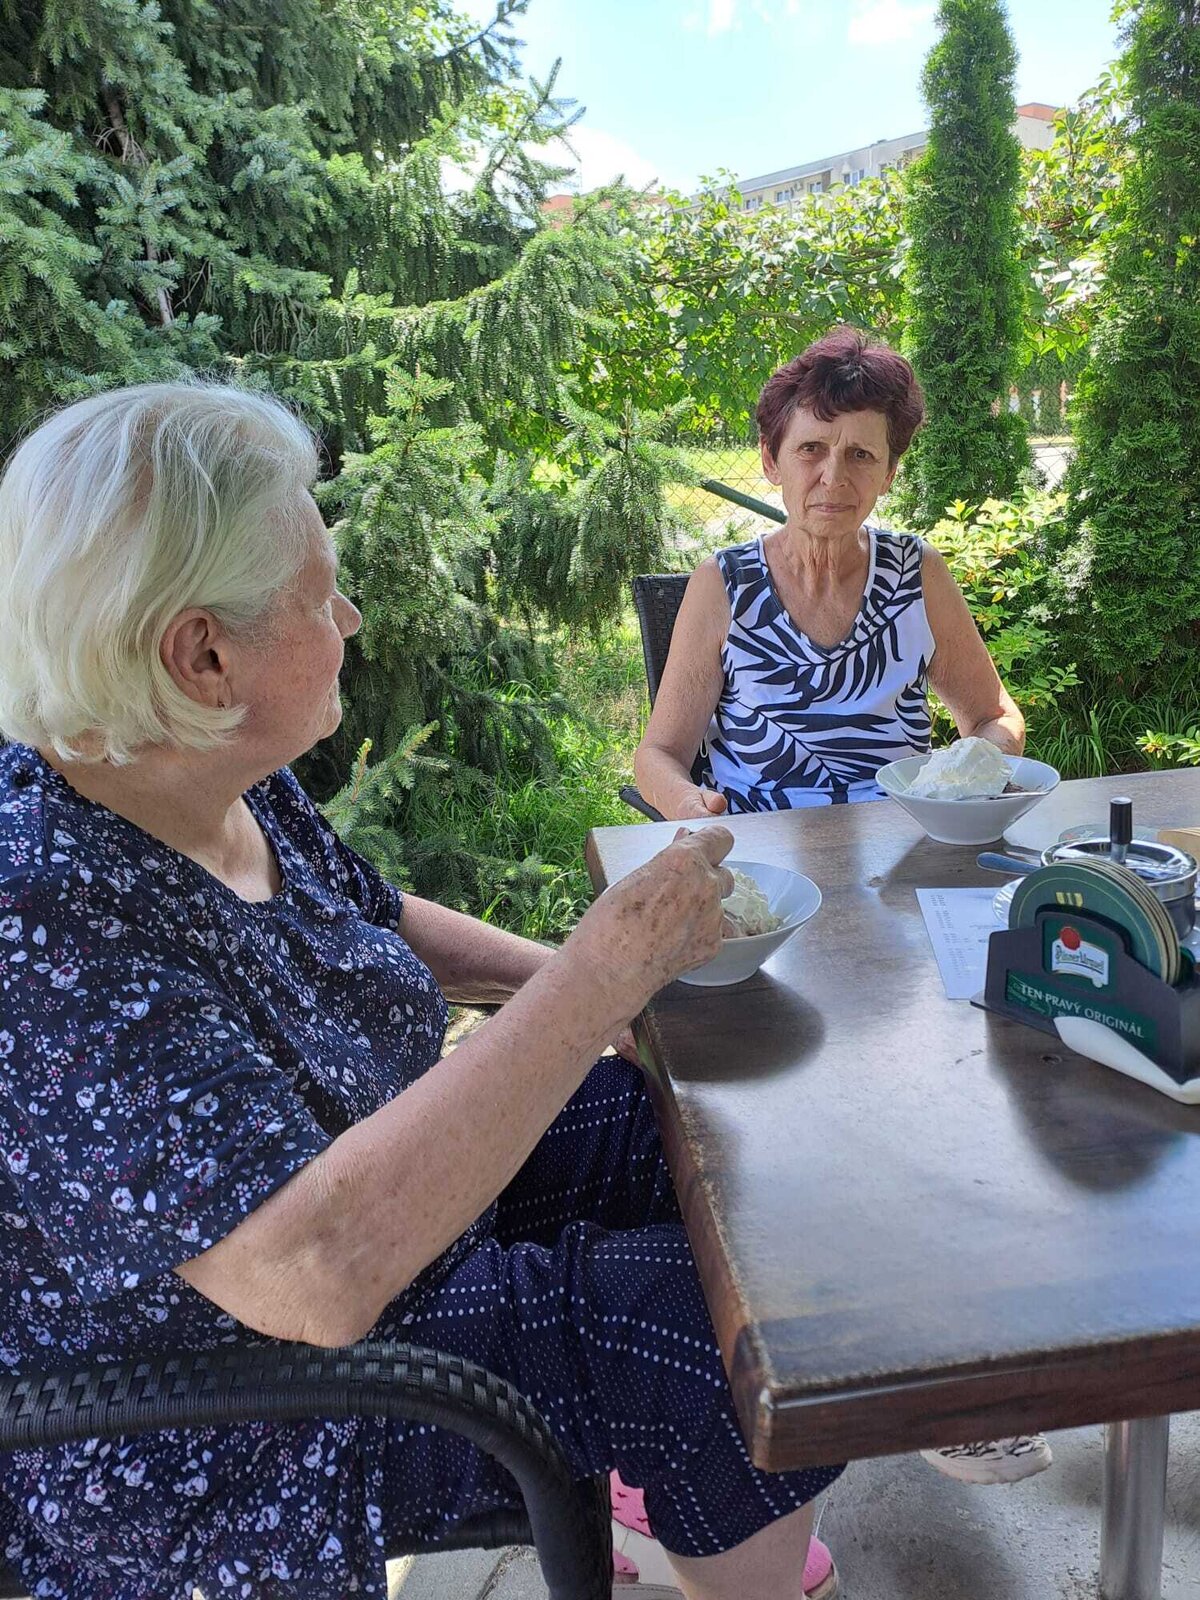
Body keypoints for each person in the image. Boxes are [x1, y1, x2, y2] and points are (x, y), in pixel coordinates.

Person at [0, 382, 845, 1600]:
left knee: (699, 1127)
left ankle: (707, 1508)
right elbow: (310, 1274)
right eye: (317, 594)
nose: (347, 615)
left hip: (386, 1217)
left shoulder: (194, 764)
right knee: (691, 1333)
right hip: (232, 1413)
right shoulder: (43, 920)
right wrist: (597, 976)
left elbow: (378, 913)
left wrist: (607, 996)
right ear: (202, 654)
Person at [634, 327, 1050, 1489]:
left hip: (903, 887)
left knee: (969, 1091)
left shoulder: (916, 574)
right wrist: (690, 803)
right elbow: (656, 753)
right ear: (773, 458)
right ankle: (816, 1354)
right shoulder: (725, 584)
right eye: (811, 449)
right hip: (768, 907)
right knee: (780, 1132)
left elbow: (992, 716)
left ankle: (953, 1366)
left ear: (889, 469)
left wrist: (973, 769)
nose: (833, 475)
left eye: (861, 454)